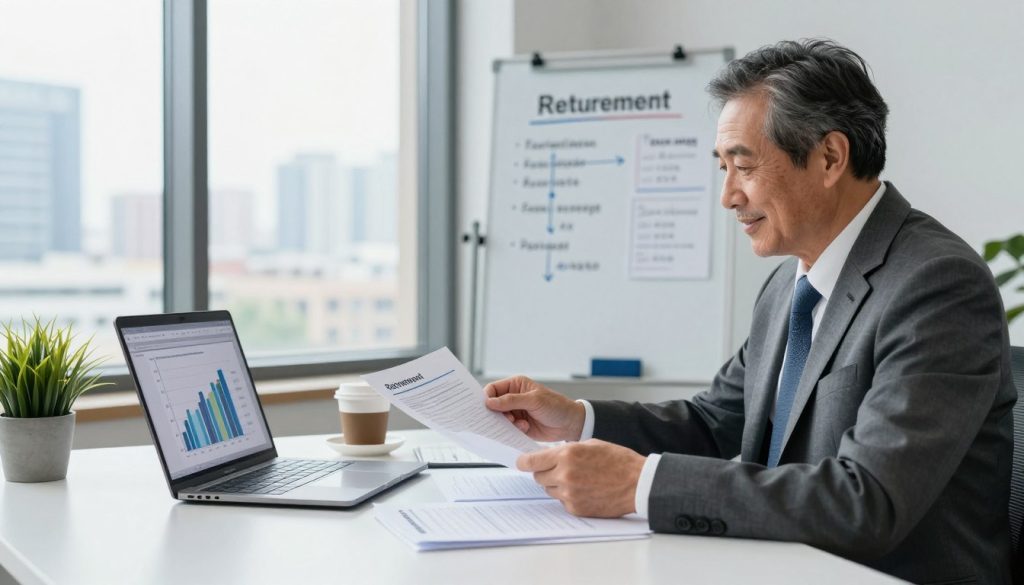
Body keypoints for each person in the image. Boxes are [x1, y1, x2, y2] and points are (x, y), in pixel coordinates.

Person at [484, 39, 1015, 584]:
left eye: (744, 166)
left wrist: (640, 484)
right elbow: (717, 424)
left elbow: (867, 501)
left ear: (830, 157)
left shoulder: (937, 285)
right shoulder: (790, 282)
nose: (728, 196)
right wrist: (576, 420)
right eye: (722, 167)